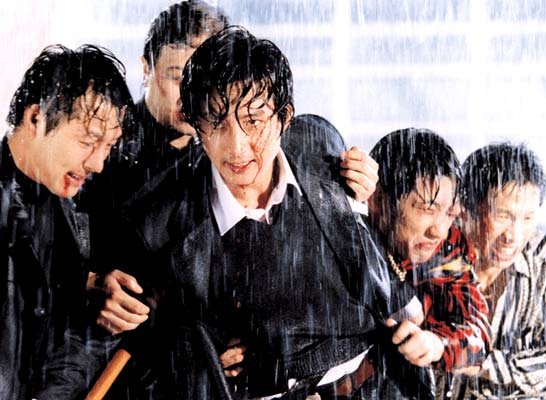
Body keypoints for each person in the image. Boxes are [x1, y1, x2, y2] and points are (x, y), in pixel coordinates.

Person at [95, 26, 422, 399]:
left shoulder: (321, 149)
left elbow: (384, 296)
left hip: (377, 380)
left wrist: (359, 201)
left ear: (284, 118)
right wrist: (196, 361)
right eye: (216, 122)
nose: (237, 147)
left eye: (253, 121)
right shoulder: (157, 222)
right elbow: (135, 350)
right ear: (196, 123)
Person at [85, 1, 379, 341]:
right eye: (177, 76)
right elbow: (50, 237)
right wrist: (87, 283)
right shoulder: (103, 148)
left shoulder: (286, 141)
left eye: (207, 78)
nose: (190, 93)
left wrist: (356, 195)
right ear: (146, 68)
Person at [0, 44, 132, 399]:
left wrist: (90, 291)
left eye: (109, 146)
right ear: (36, 118)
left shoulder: (69, 204)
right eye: (88, 141)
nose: (98, 164)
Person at [363, 128, 491, 398]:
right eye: (427, 209)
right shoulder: (344, 237)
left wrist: (437, 344)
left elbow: (478, 329)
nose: (439, 231)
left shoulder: (447, 246)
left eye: (450, 213)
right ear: (378, 200)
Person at [448, 143, 546, 399]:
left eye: (527, 218)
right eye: (502, 216)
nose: (513, 236)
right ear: (468, 209)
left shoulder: (543, 264)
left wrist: (484, 365)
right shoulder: (433, 255)